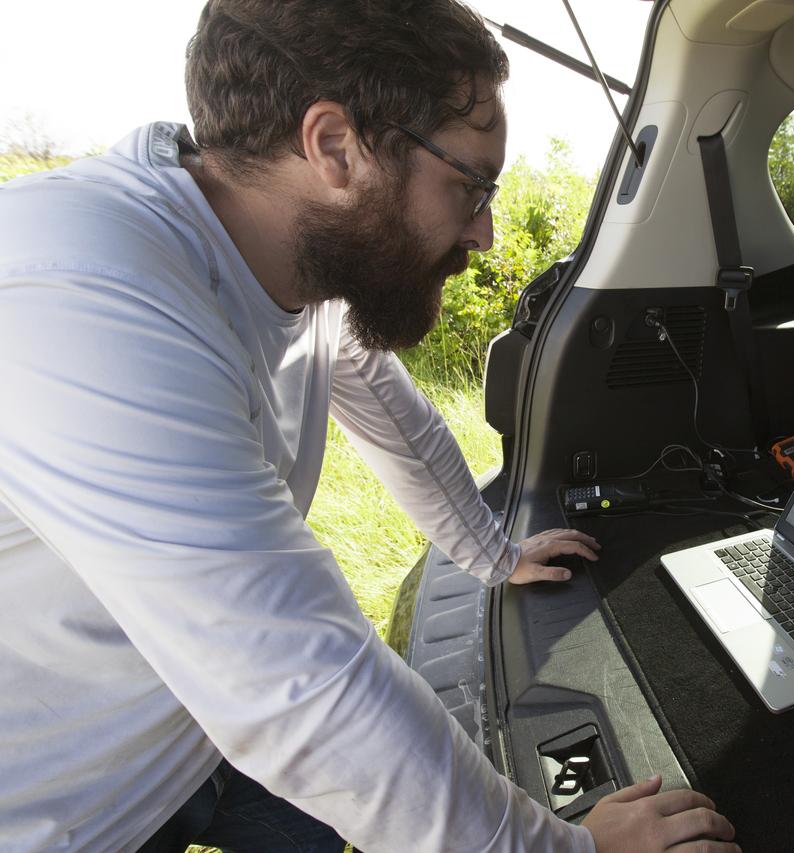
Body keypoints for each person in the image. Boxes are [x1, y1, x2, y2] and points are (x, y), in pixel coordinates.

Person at [0, 0, 739, 851]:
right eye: (470, 185)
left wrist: (495, 553)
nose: (487, 232)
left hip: (190, 721)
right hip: (66, 807)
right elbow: (302, 692)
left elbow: (395, 415)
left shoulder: (284, 257)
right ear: (334, 147)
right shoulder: (88, 291)